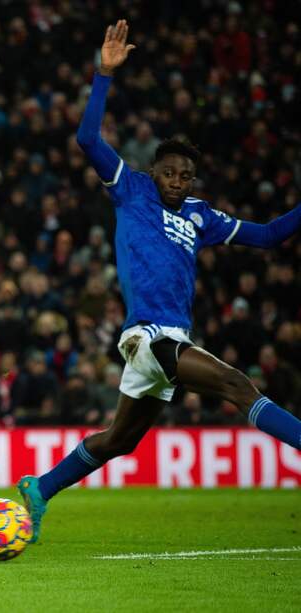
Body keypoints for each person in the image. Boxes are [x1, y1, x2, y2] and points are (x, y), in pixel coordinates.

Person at [18, 21, 301, 544]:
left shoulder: (200, 214)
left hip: (172, 337)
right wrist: (103, 75)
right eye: (169, 172)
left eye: (184, 176)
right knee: (238, 386)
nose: (176, 181)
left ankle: (40, 488)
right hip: (149, 334)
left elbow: (266, 237)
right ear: (155, 171)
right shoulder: (131, 188)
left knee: (118, 441)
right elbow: (85, 138)